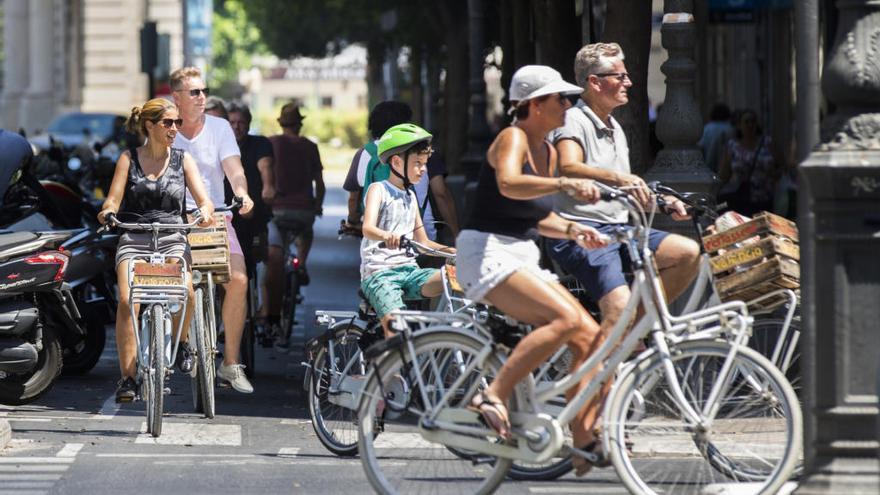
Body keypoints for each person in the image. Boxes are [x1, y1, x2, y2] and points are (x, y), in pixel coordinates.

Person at [455, 65, 608, 476]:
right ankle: (492, 395)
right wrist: (563, 186)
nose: (568, 105)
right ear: (534, 104)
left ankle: (583, 438)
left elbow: (537, 217)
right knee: (561, 319)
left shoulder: (551, 152)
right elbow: (508, 184)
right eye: (561, 99)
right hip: (485, 251)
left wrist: (576, 230)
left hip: (520, 251)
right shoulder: (513, 138)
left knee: (589, 335)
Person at [549, 44, 700, 365]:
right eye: (620, 76)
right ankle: (591, 377)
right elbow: (569, 167)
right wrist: (621, 180)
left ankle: (628, 332)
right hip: (583, 231)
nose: (628, 82)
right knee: (618, 306)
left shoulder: (615, 127)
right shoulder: (572, 120)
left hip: (622, 229)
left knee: (686, 254)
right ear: (594, 82)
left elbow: (623, 187)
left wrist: (662, 202)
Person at [97, 98, 215, 402]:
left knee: (187, 291)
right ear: (149, 125)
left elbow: (204, 200)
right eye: (168, 123)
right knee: (127, 300)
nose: (175, 129)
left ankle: (184, 341)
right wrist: (108, 212)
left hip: (172, 235)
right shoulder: (128, 159)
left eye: (178, 123)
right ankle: (128, 377)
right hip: (134, 236)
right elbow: (113, 199)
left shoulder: (183, 159)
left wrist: (205, 211)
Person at [170, 66, 256, 393]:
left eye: (204, 91)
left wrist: (242, 193)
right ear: (176, 97)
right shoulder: (166, 127)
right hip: (177, 220)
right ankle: (185, 344)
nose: (202, 97)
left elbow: (234, 169)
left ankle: (231, 364)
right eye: (194, 92)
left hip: (216, 218)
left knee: (238, 278)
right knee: (180, 282)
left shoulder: (220, 128)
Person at [359, 123, 454, 338]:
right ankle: (386, 372)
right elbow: (367, 228)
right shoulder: (379, 189)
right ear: (396, 162)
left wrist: (455, 252)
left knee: (454, 278)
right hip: (380, 275)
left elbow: (425, 244)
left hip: (410, 273)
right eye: (418, 163)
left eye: (425, 163)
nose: (423, 169)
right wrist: (386, 236)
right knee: (397, 332)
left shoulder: (411, 197)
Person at [342, 102, 460, 243]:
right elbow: (441, 193)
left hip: (379, 238)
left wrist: (352, 221)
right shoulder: (424, 151)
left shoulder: (364, 154)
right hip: (424, 232)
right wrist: (456, 234)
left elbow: (353, 199)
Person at [264, 103, 324, 347]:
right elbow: (319, 182)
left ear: (280, 123)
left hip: (276, 209)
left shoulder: (271, 143)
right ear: (300, 124)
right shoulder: (310, 146)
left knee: (273, 256)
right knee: (306, 232)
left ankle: (269, 314)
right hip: (303, 210)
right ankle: (301, 263)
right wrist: (317, 205)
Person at [718, 108, 783, 216]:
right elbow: (724, 174)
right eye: (746, 122)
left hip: (765, 198)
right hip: (741, 199)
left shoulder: (768, 143)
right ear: (739, 126)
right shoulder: (732, 146)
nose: (750, 125)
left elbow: (782, 166)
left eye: (753, 121)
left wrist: (773, 174)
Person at [698, 103, 734, 174]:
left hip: (709, 168)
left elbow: (700, 147)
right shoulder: (730, 129)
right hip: (727, 170)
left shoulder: (707, 128)